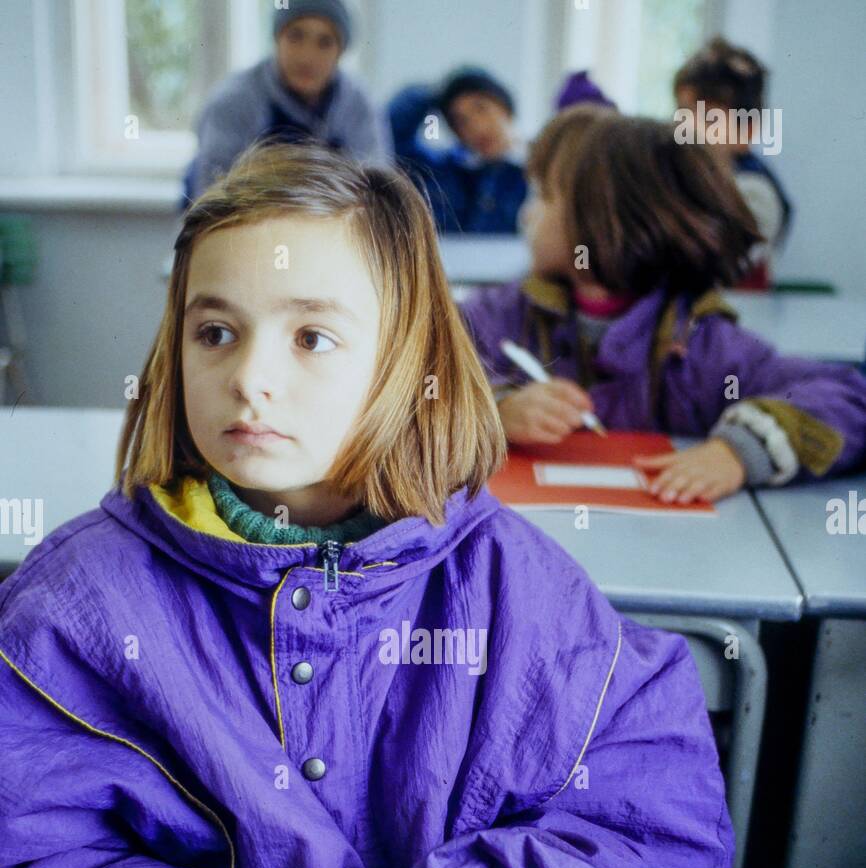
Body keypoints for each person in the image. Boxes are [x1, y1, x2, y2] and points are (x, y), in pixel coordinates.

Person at [0, 142, 733, 868]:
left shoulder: (517, 593)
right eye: (215, 331)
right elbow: (29, 856)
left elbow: (652, 827)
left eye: (312, 336)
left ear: (405, 363)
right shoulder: (74, 607)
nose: (250, 378)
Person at [461, 110, 866, 503]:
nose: (528, 212)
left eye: (546, 196)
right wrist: (498, 411)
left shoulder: (699, 341)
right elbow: (421, 382)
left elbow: (847, 398)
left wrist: (737, 453)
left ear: (604, 225)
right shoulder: (500, 314)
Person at [181, 0, 390, 206]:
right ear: (277, 37)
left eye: (324, 42)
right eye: (296, 36)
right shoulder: (232, 102)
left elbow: (375, 195)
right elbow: (209, 199)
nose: (307, 56)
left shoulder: (359, 106)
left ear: (340, 51)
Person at [674, 36, 792, 289]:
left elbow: (715, 262)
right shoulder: (683, 177)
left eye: (708, 119)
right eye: (682, 114)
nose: (688, 128)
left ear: (747, 132)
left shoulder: (755, 192)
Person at [388, 67, 526, 233]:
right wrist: (436, 93)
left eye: (481, 109)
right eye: (461, 121)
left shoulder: (538, 169)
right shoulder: (446, 172)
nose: (476, 126)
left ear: (505, 108)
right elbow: (391, 139)